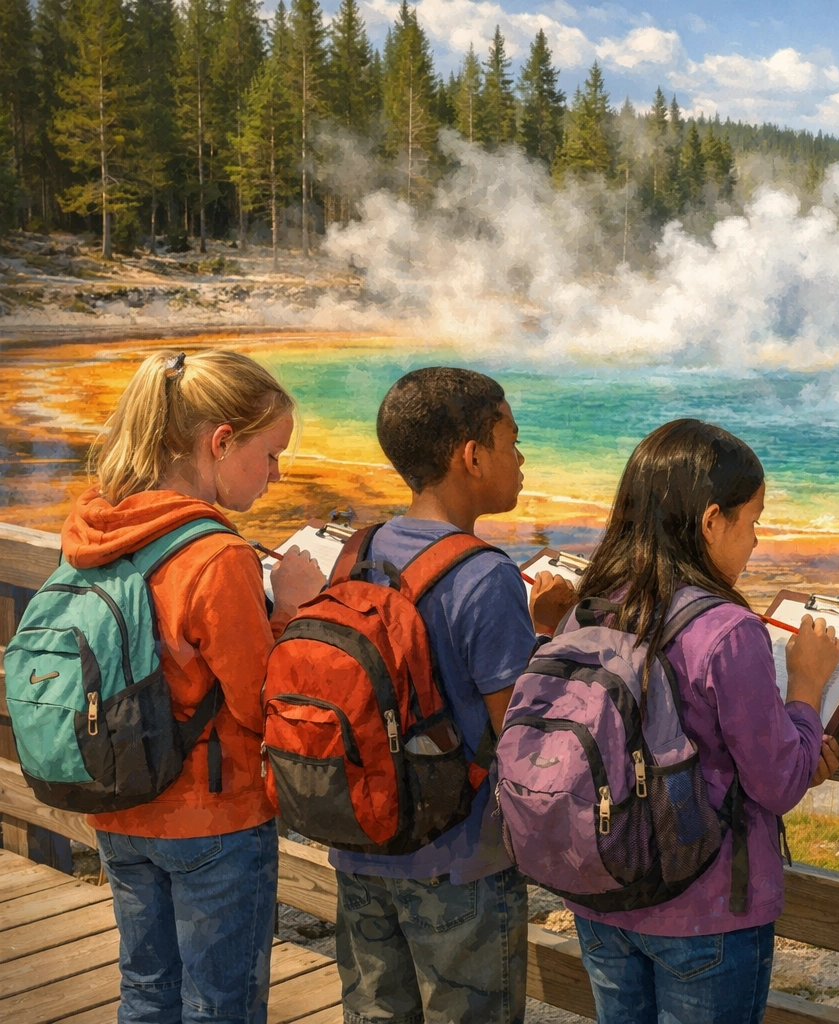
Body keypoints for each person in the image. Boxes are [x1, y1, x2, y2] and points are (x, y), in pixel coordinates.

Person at [63, 349, 326, 1022]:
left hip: (119, 800)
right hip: (212, 815)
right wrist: (292, 604)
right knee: (222, 1004)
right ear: (220, 442)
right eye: (270, 455)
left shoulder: (97, 527)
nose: (274, 473)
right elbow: (258, 700)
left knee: (147, 989)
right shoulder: (217, 554)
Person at [568, 418, 839, 1024]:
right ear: (712, 521)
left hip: (603, 893)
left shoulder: (592, 604)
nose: (756, 540)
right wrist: (806, 684)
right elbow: (776, 782)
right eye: (753, 520)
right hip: (707, 907)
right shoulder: (728, 631)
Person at [328, 367, 577, 1024]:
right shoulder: (484, 573)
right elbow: (517, 729)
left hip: (363, 843)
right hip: (458, 860)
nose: (520, 458)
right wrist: (547, 630)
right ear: (472, 456)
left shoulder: (359, 550)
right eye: (511, 440)